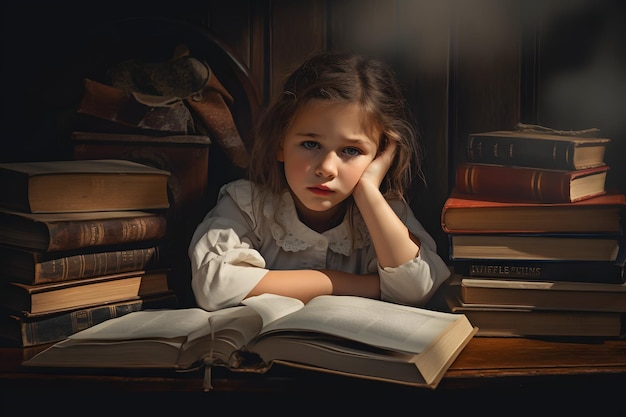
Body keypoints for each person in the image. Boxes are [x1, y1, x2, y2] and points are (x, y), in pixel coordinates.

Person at [188, 51, 450, 311]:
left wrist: (368, 191)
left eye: (351, 151)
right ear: (281, 143)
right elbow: (214, 286)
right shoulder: (247, 205)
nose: (326, 168)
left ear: (380, 156)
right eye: (310, 144)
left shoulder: (384, 214)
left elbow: (416, 290)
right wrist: (340, 283)